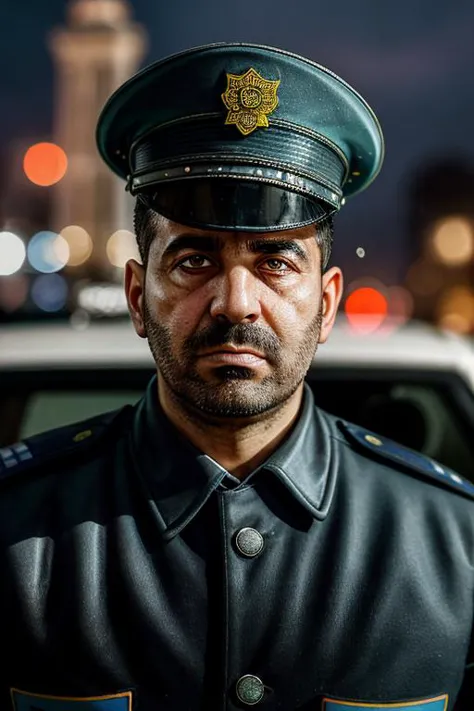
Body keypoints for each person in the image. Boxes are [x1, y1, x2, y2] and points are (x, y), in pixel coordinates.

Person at [1, 42, 473, 711]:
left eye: (276, 260)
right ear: (139, 296)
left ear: (328, 302)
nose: (236, 301)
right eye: (194, 259)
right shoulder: (15, 532)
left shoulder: (457, 545)